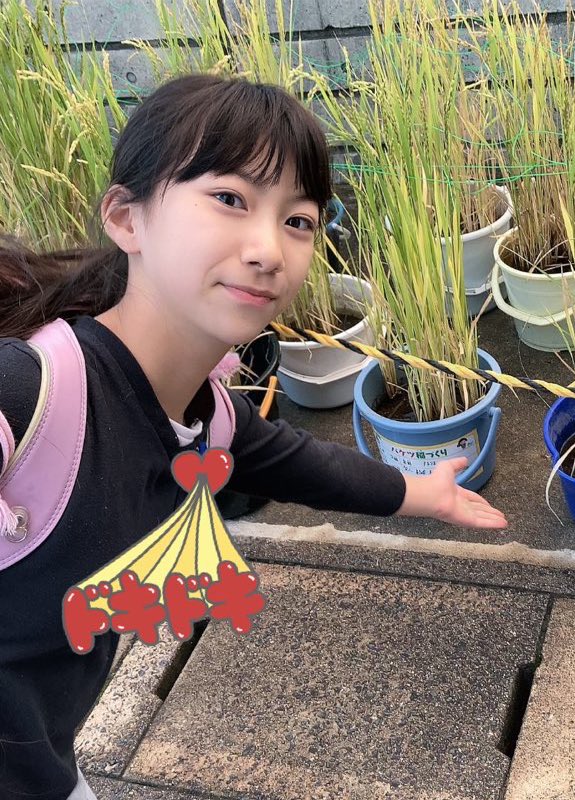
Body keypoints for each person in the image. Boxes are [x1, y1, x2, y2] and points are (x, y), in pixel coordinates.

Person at [0, 73, 507, 800]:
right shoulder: (30, 397)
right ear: (126, 218)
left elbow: (299, 463)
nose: (269, 249)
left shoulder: (208, 412)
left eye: (298, 220)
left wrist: (425, 494)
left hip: (47, 753)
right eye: (230, 199)